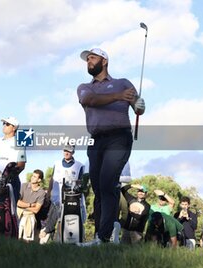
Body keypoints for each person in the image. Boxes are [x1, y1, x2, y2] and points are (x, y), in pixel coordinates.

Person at [76, 48, 145, 245]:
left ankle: (104, 236)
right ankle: (102, 234)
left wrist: (139, 105)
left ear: (104, 61)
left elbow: (138, 106)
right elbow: (89, 100)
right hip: (96, 140)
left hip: (119, 137)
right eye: (87, 59)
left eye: (92, 57)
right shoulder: (84, 87)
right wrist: (118, 96)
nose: (88, 61)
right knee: (98, 188)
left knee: (107, 182)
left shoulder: (122, 83)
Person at [40, 144, 86, 243]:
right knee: (52, 219)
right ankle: (48, 238)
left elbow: (80, 182)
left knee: (65, 221)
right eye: (65, 150)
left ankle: (61, 240)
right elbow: (52, 179)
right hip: (56, 197)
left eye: (69, 151)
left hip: (70, 199)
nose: (66, 152)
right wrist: (48, 193)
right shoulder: (56, 163)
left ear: (73, 152)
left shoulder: (79, 166)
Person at [0, 117, 26, 202]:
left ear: (14, 128)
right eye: (4, 124)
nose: (4, 126)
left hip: (10, 183)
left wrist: (9, 177)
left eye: (7, 124)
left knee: (9, 211)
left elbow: (21, 164)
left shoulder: (19, 142)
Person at [17, 169, 46, 242]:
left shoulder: (41, 192)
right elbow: (17, 202)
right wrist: (30, 205)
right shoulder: (24, 186)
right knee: (18, 238)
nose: (32, 177)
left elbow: (36, 210)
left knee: (28, 241)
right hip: (19, 215)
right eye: (32, 176)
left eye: (35, 176)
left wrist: (23, 207)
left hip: (31, 217)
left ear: (39, 180)